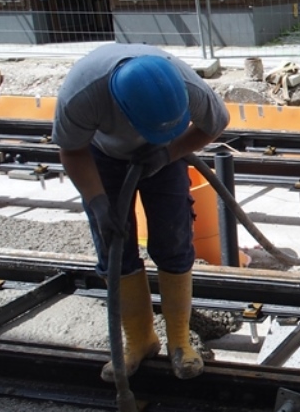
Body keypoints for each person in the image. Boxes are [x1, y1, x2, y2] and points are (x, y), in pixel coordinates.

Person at [52, 44, 230, 382]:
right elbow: (72, 150)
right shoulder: (82, 94)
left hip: (166, 153)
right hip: (103, 156)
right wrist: (98, 202)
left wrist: (168, 154)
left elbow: (215, 123)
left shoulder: (188, 86)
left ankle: (179, 340)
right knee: (114, 247)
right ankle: (140, 340)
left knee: (174, 239)